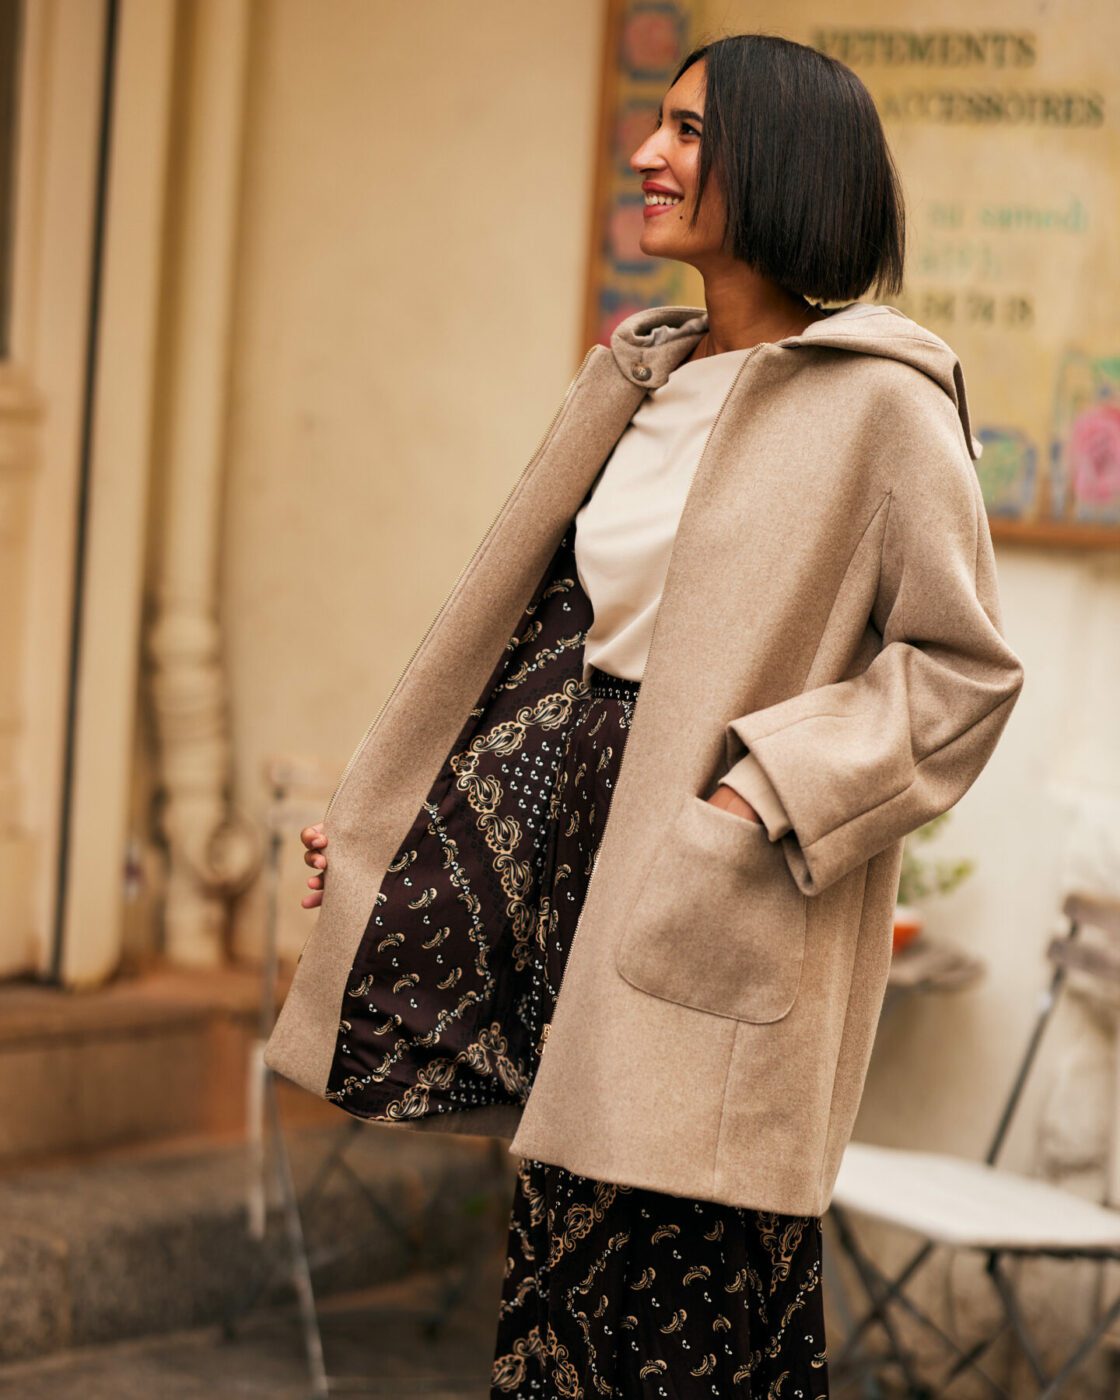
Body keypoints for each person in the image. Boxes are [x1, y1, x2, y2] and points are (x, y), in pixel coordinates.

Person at [274, 32, 1024, 1399]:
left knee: (692, 1310)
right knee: (562, 1304)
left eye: (688, 133)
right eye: (656, 125)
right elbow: (555, 656)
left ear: (778, 164)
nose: (647, 154)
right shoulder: (639, 381)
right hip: (582, 870)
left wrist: (762, 795)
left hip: (719, 881)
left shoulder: (883, 409)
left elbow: (963, 676)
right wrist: (409, 841)